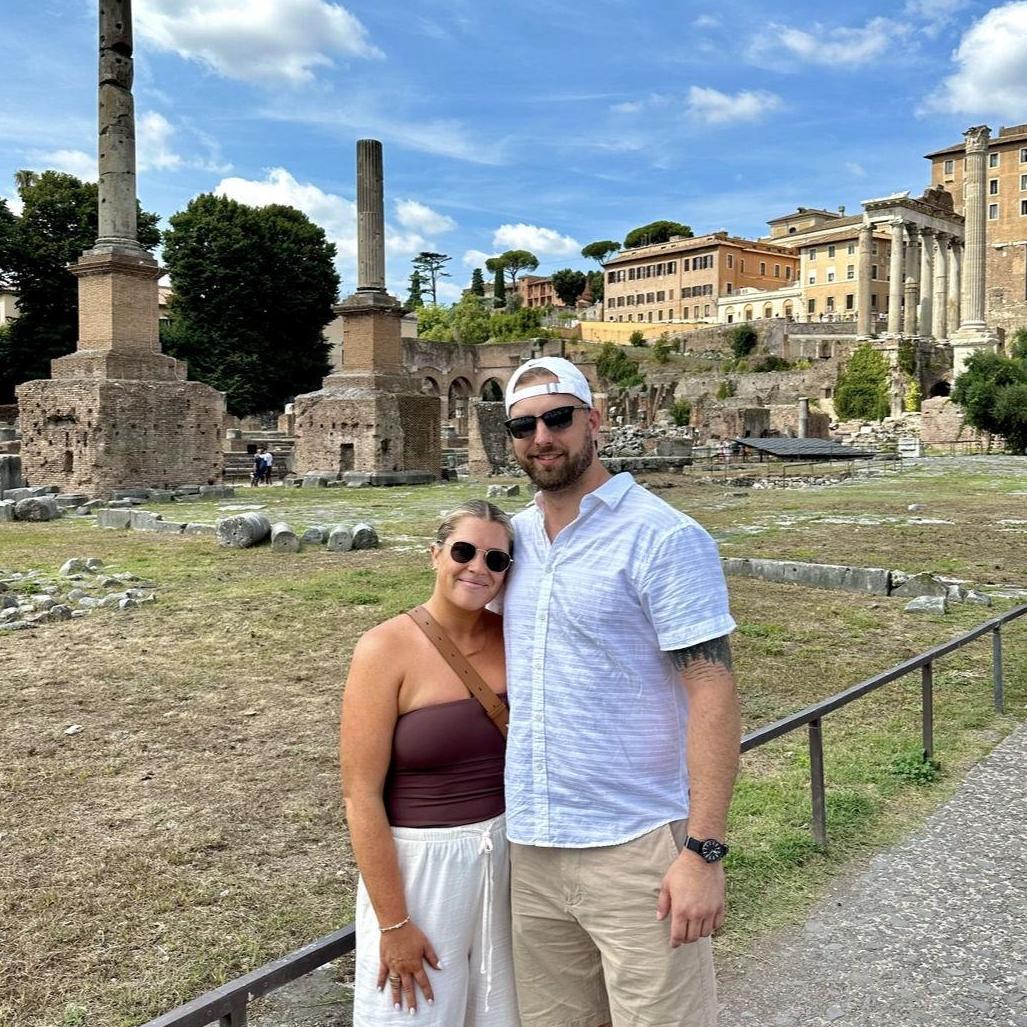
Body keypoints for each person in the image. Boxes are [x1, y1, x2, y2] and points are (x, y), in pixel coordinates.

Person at [500, 356, 741, 1027]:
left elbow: (713, 693)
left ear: (593, 421)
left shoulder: (662, 536)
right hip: (534, 846)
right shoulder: (510, 543)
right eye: (523, 425)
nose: (541, 436)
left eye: (557, 418)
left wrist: (703, 851)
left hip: (636, 846)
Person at [340, 501, 520, 1025]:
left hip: (510, 856)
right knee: (414, 1013)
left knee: (502, 1015)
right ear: (435, 555)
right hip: (423, 868)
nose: (478, 568)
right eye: (464, 551)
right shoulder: (384, 649)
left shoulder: (515, 638)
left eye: (496, 560)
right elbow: (360, 795)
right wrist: (394, 924)